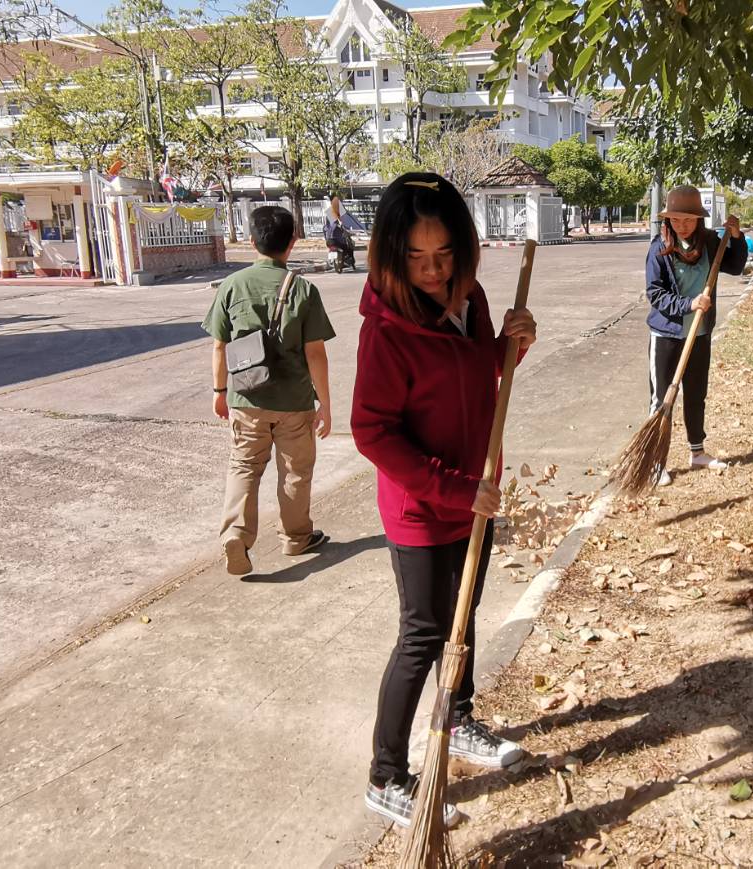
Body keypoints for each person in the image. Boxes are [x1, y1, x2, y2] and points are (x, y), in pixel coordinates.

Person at [351, 172, 538, 827]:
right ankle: (384, 774)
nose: (431, 273)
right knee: (424, 633)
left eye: (444, 256)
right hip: (422, 506)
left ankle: (457, 721)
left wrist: (507, 344)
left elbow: (472, 368)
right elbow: (371, 429)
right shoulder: (387, 329)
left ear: (462, 248)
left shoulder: (471, 296)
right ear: (391, 255)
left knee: (466, 613)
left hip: (474, 496)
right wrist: (454, 489)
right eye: (416, 259)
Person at [203, 205, 337, 576]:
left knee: (244, 466)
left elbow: (219, 345)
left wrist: (219, 391)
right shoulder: (304, 290)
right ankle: (296, 538)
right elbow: (316, 353)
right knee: (295, 471)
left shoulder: (232, 286)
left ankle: (236, 534)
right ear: (292, 243)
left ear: (251, 242)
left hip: (247, 398)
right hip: (294, 402)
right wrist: (324, 403)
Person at [645, 184, 748, 485]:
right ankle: (654, 461)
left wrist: (737, 238)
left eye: (688, 219)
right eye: (676, 220)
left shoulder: (710, 242)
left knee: (696, 394)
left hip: (699, 333)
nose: (682, 225)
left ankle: (697, 451)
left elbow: (735, 266)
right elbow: (655, 293)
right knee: (661, 399)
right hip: (666, 335)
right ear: (668, 220)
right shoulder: (659, 247)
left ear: (698, 219)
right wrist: (688, 304)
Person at [323, 194, 362, 273]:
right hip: (338, 240)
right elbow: (345, 224)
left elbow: (326, 228)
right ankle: (348, 261)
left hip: (329, 241)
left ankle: (341, 261)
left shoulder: (329, 212)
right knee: (349, 247)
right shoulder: (338, 211)